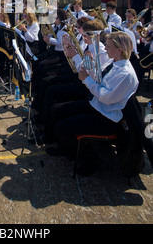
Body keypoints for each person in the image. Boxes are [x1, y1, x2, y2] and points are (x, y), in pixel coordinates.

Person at [46, 31, 138, 175]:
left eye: (108, 46)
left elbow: (105, 97)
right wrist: (87, 65)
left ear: (119, 49)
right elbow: (98, 78)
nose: (105, 48)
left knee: (62, 127)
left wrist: (86, 79)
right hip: (95, 105)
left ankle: (91, 161)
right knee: (56, 110)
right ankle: (65, 147)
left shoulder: (125, 74)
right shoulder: (114, 64)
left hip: (105, 117)